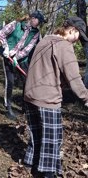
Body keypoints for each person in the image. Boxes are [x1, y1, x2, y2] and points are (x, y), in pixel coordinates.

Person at [23, 16, 88, 177]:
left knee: (37, 133)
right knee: (53, 138)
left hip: (30, 95)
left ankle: (30, 163)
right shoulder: (64, 46)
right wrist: (86, 98)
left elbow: (46, 68)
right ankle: (48, 173)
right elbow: (74, 77)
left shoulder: (45, 40)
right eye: (78, 36)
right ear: (72, 30)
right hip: (47, 98)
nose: (78, 40)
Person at [0, 11, 45, 120]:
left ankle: (25, 107)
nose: (40, 24)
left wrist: (17, 57)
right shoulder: (15, 24)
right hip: (7, 55)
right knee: (10, 81)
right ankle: (8, 107)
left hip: (22, 59)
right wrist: (5, 47)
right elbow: (1, 34)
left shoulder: (36, 33)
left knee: (27, 81)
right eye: (39, 21)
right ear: (33, 18)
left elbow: (28, 48)